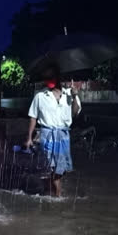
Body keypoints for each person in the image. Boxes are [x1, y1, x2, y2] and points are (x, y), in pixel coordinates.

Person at [25, 69, 81, 197]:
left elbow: (75, 113)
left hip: (63, 136)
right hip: (47, 135)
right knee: (51, 166)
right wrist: (29, 137)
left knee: (61, 168)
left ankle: (49, 190)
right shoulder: (40, 96)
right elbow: (33, 116)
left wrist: (74, 96)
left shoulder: (69, 94)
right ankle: (57, 195)